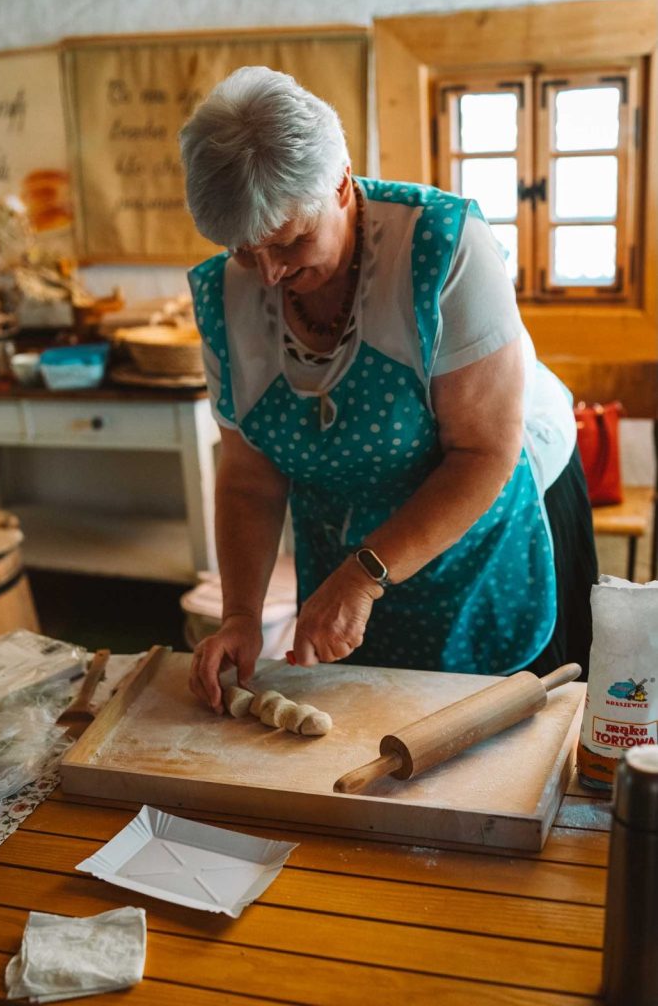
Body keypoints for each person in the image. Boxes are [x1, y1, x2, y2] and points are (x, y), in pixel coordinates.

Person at [179, 66, 597, 713]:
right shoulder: (223, 295)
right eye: (242, 250)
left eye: (290, 242)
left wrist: (365, 574)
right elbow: (249, 478)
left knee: (497, 741)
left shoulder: (442, 248)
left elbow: (483, 451)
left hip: (483, 531)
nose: (268, 273)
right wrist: (241, 615)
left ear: (341, 185)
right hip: (344, 543)